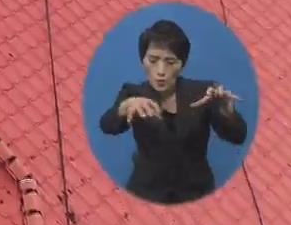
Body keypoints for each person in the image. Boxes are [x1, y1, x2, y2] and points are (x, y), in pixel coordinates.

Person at [98, 19, 248, 204]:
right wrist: (125, 107)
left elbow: (238, 136)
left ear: (182, 64)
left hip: (197, 193)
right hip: (146, 192)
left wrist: (226, 112)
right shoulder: (132, 92)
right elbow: (107, 125)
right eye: (153, 60)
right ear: (142, 61)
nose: (161, 71)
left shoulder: (204, 92)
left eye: (170, 62)